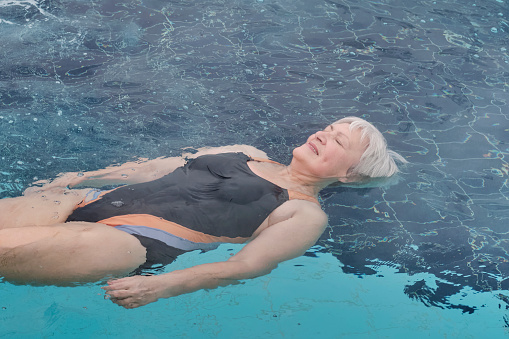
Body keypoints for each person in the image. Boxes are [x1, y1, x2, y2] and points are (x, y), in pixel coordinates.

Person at [0, 116, 406, 309]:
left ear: (350, 176)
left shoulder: (304, 214)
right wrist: (77, 179)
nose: (323, 134)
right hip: (83, 203)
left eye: (338, 141)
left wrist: (167, 285)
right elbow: (153, 167)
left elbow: (247, 266)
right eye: (329, 128)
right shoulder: (246, 151)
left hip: (125, 242)